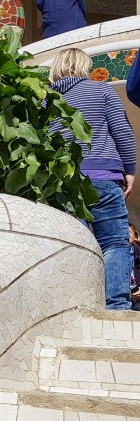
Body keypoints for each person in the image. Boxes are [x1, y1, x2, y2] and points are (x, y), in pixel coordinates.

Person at [50, 48, 136, 309]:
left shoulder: (46, 99)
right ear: (85, 66)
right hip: (104, 178)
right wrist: (130, 171)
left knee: (71, 243)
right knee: (114, 243)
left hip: (64, 182)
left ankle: (73, 305)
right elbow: (122, 132)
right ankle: (117, 307)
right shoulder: (103, 91)